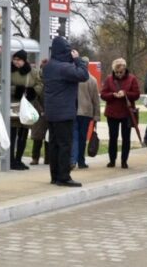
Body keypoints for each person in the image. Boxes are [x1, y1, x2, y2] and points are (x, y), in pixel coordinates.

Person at [42, 36, 89, 187]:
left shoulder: (49, 66)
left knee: (54, 144)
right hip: (64, 112)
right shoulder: (64, 68)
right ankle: (64, 177)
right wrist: (78, 60)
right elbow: (83, 75)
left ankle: (54, 176)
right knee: (65, 145)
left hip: (51, 112)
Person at [100, 58, 140, 169]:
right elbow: (103, 94)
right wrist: (113, 94)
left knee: (126, 138)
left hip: (126, 113)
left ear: (125, 69)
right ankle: (112, 160)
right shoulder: (109, 79)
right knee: (113, 137)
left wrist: (125, 93)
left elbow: (136, 94)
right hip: (112, 113)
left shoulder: (132, 79)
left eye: (121, 72)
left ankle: (124, 161)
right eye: (116, 72)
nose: (119, 74)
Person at [9, 49, 43, 170]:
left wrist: (33, 92)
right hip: (13, 107)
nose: (16, 62)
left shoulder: (33, 72)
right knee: (12, 134)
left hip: (27, 107)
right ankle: (10, 159)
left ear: (24, 60)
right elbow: (4, 84)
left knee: (23, 134)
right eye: (14, 59)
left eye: (19, 60)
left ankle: (19, 159)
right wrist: (15, 90)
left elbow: (40, 84)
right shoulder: (9, 71)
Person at [72, 57, 100, 169]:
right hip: (86, 113)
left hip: (73, 111)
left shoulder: (73, 78)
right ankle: (81, 161)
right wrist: (97, 116)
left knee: (74, 136)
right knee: (82, 138)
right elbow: (95, 100)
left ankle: (72, 159)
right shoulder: (92, 80)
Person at [30, 58, 50, 166]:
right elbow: (34, 98)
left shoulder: (52, 81)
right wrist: (41, 111)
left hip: (50, 112)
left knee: (48, 137)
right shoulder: (37, 81)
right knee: (37, 137)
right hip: (39, 113)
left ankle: (48, 158)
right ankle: (35, 158)